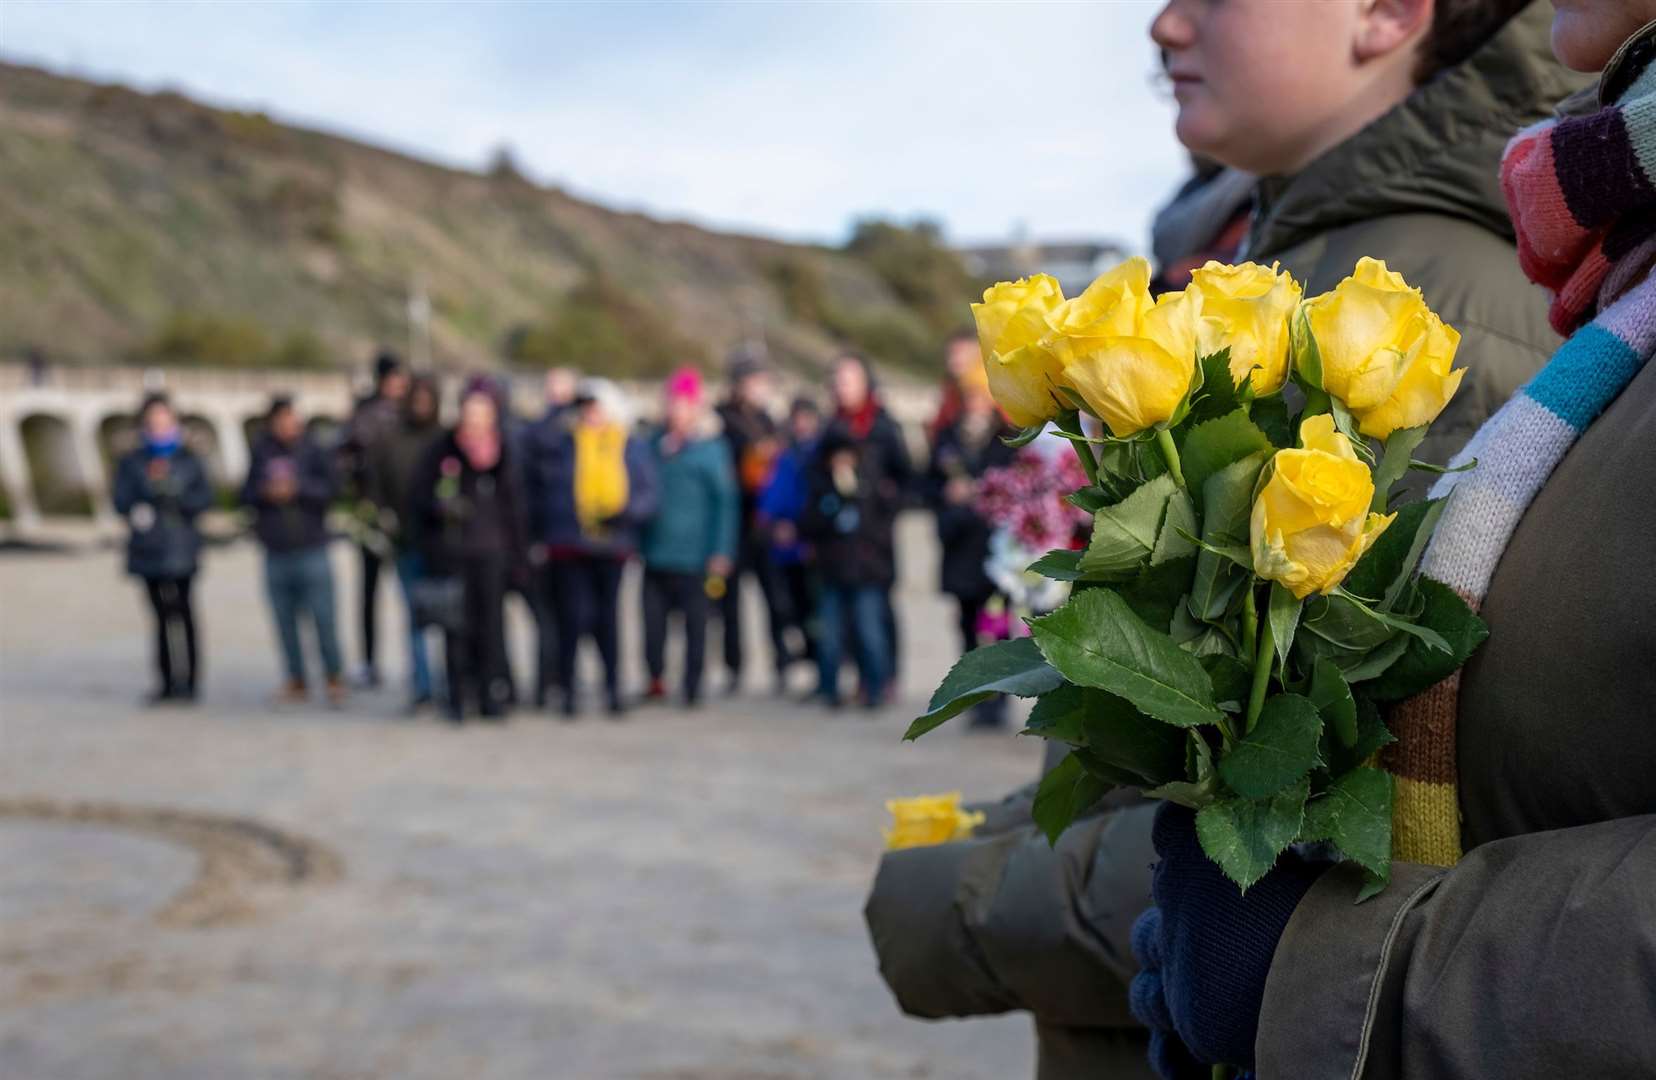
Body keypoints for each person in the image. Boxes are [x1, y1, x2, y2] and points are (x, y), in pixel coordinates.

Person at [865, 4, 1588, 1077]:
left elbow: (1335, 829)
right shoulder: (1285, 253)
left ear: (1386, 13)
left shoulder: (1424, 300)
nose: (1163, 23)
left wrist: (964, 905)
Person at [1132, 7, 1656, 1077]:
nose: (1166, 19)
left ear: (1385, 14)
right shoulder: (1611, 265)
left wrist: (1322, 964)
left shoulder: (1452, 294)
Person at [525, 377, 658, 717]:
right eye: (584, 408)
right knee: (572, 618)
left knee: (607, 620)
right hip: (569, 545)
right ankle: (567, 686)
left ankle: (612, 686)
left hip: (612, 546)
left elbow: (647, 493)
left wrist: (623, 514)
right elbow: (539, 470)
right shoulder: (562, 442)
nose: (591, 415)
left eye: (596, 407)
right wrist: (557, 409)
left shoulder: (629, 446)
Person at [408, 379, 527, 724]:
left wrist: (519, 556)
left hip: (492, 554)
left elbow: (514, 508)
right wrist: (440, 509)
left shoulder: (502, 452)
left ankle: (491, 694)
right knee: (455, 628)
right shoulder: (442, 450)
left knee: (491, 627)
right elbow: (418, 498)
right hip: (453, 552)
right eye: (469, 415)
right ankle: (458, 695)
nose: (475, 423)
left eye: (482, 416)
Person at [639, 367, 739, 708]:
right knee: (652, 628)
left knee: (697, 628)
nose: (676, 412)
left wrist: (721, 550)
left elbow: (726, 504)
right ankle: (655, 677)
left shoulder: (712, 450)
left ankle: (693, 684)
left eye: (683, 404)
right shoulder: (653, 445)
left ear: (696, 408)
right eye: (672, 404)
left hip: (696, 557)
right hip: (655, 553)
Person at [925, 357, 1016, 729]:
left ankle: (998, 700)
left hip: (997, 552)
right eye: (971, 394)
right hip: (959, 547)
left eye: (982, 394)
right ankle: (971, 696)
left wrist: (985, 492)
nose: (976, 401)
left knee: (995, 627)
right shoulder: (946, 439)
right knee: (964, 626)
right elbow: (925, 486)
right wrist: (948, 493)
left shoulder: (1007, 438)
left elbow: (1019, 486)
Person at [242, 395, 346, 705]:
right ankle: (296, 679)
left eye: (293, 418)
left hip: (312, 548)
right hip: (275, 550)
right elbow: (245, 494)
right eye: (282, 419)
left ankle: (333, 677)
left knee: (324, 619)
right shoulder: (261, 453)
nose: (289, 424)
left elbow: (333, 490)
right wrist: (265, 491)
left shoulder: (315, 450)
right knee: (284, 622)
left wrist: (298, 488)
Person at [111, 393, 214, 705]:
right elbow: (121, 501)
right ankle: (166, 681)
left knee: (185, 613)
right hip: (148, 549)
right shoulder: (132, 460)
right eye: (153, 420)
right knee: (158, 617)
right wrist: (148, 494)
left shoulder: (188, 458)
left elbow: (203, 499)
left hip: (182, 546)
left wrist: (173, 493)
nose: (158, 425)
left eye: (164, 419)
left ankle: (191, 681)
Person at [822, 351, 913, 699]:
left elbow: (908, 480)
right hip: (839, 542)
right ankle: (858, 678)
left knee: (877, 614)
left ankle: (885, 678)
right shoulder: (831, 428)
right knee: (845, 620)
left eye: (847, 380)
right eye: (837, 381)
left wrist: (885, 504)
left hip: (875, 540)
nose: (841, 387)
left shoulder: (884, 426)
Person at [799, 421, 898, 710]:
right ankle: (829, 688)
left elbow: (883, 524)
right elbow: (808, 524)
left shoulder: (872, 482)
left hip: (867, 573)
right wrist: (833, 506)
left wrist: (858, 496)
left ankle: (875, 688)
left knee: (870, 634)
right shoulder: (819, 485)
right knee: (829, 636)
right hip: (833, 571)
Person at [368, 373, 442, 712]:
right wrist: (385, 517)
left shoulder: (445, 439)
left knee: (447, 615)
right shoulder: (390, 441)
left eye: (427, 400)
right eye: (416, 399)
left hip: (443, 543)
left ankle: (449, 681)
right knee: (414, 615)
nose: (421, 406)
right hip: (406, 542)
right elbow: (375, 486)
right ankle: (422, 685)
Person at [713, 347, 786, 695]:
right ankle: (733, 666)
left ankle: (782, 663)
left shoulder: (769, 420)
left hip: (764, 521)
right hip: (734, 520)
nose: (762, 386)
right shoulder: (720, 420)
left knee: (774, 597)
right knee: (729, 603)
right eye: (756, 380)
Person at [339, 350, 409, 689]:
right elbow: (345, 458)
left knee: (412, 589)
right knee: (368, 592)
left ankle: (419, 665)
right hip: (370, 514)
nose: (400, 383)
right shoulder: (363, 415)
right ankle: (368, 661)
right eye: (394, 376)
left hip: (406, 515)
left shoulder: (411, 413)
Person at [756, 397, 824, 693]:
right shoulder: (785, 456)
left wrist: (802, 530)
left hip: (809, 547)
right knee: (785, 611)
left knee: (813, 613)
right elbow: (773, 495)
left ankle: (820, 667)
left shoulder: (819, 455)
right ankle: (788, 665)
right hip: (784, 549)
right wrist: (773, 522)